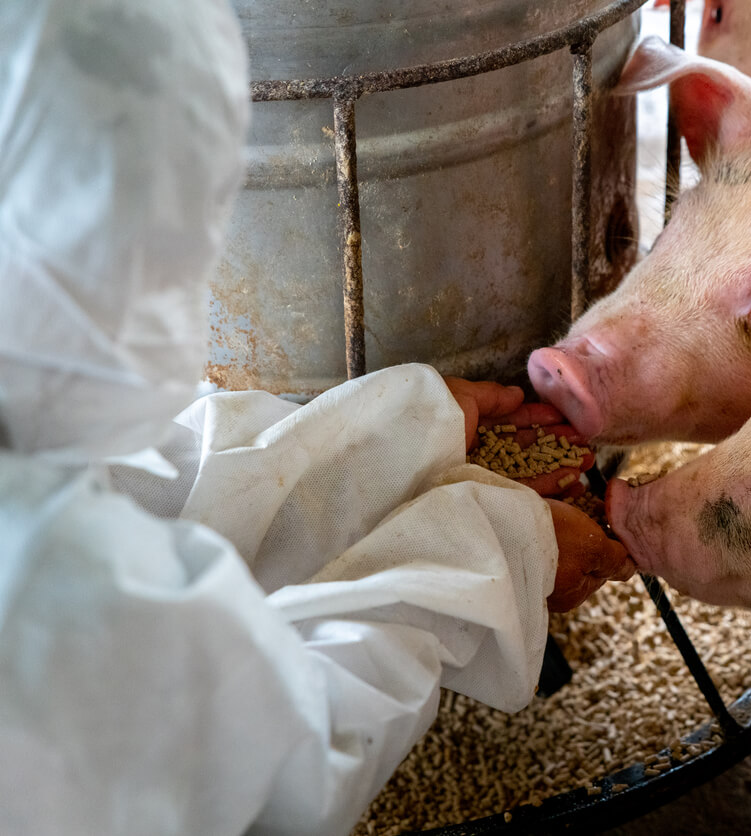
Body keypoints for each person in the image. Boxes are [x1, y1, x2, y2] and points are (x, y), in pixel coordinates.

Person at [0, 1, 632, 834]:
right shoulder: (44, 609)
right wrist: (483, 560)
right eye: (150, 251)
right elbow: (267, 769)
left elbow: (126, 494)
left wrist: (380, 435)